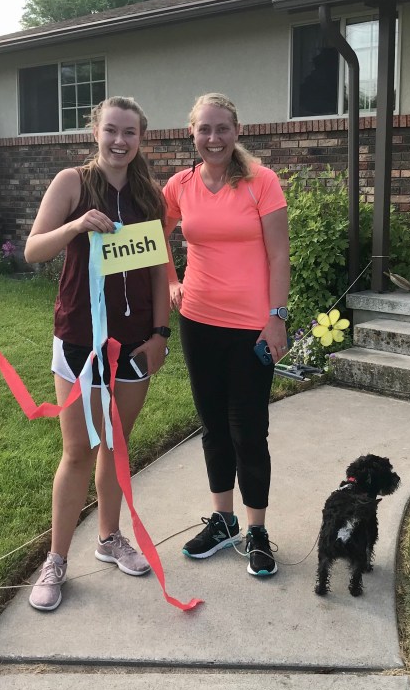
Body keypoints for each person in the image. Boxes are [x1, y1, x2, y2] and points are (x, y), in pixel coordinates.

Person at [24, 96, 171, 611]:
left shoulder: (149, 195)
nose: (119, 141)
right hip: (80, 342)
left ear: (141, 138)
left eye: (129, 133)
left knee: (116, 445)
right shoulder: (72, 182)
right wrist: (75, 226)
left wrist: (161, 334)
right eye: (111, 130)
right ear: (95, 131)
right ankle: (56, 559)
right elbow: (34, 249)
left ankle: (109, 539)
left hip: (134, 343)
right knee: (78, 451)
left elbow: (159, 271)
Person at [163, 92, 290, 578]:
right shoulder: (179, 185)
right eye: (204, 129)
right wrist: (171, 280)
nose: (213, 138)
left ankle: (256, 529)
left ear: (237, 131)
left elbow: (279, 255)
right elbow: (156, 234)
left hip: (252, 328)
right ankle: (223, 520)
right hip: (198, 320)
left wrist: (276, 316)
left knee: (249, 431)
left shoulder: (262, 181)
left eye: (222, 128)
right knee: (213, 425)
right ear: (192, 133)